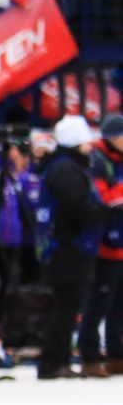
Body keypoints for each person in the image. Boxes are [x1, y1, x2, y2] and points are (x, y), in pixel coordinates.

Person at [36, 115, 103, 377]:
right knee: (66, 307)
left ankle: (57, 360)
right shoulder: (66, 169)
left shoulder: (61, 166)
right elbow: (75, 205)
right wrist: (101, 214)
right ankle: (53, 363)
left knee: (67, 306)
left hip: (65, 246)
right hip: (68, 248)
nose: (90, 147)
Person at [77, 115, 123, 376]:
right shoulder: (98, 161)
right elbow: (101, 198)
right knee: (98, 304)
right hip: (106, 244)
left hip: (121, 243)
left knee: (119, 306)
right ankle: (90, 357)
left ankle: (117, 355)